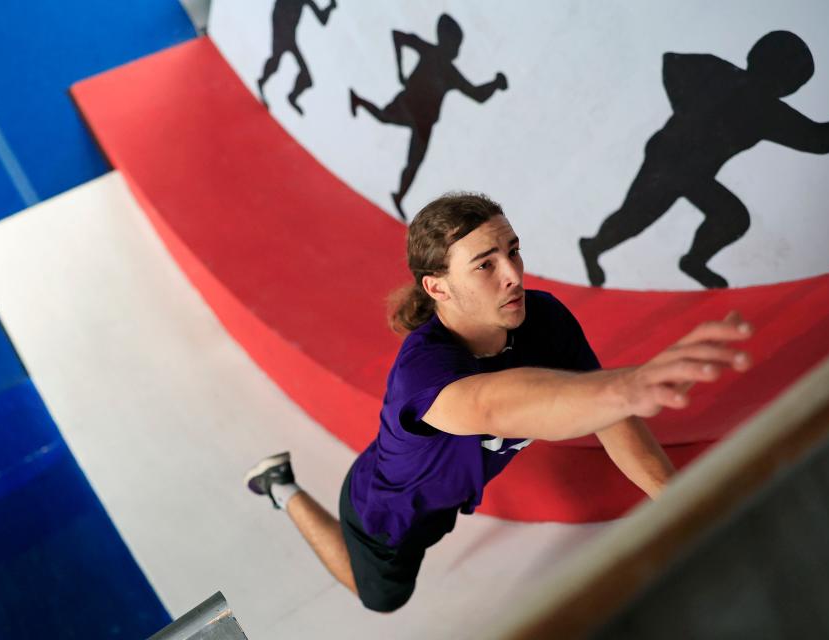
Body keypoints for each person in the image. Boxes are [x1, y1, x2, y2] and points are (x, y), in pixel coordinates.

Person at [245, 193, 754, 612]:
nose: (513, 274)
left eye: (513, 251)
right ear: (437, 287)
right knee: (381, 597)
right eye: (485, 264)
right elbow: (493, 407)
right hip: (385, 513)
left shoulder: (543, 317)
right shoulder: (423, 371)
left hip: (448, 496)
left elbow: (611, 422)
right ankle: (281, 488)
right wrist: (624, 388)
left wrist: (683, 501)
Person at [579, 30, 829, 289]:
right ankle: (594, 248)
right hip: (668, 160)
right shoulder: (729, 81)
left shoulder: (762, 108)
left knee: (732, 218)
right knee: (634, 218)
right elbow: (672, 62)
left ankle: (693, 261)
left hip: (693, 173)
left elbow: (823, 139)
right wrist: (685, 109)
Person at [349, 14, 508, 219]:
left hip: (424, 122)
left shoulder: (448, 70)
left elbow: (477, 95)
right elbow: (398, 37)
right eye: (455, 45)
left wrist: (495, 84)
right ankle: (358, 100)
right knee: (384, 118)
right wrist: (400, 70)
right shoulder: (432, 54)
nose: (457, 50)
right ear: (447, 42)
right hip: (409, 106)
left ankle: (399, 196)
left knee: (413, 161)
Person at [257, 0, 338, 115]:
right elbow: (276, 11)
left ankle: (292, 97)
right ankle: (261, 82)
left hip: (290, 39)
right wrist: (278, 32)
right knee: (275, 64)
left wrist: (330, 7)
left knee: (307, 79)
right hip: (281, 35)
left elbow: (322, 19)